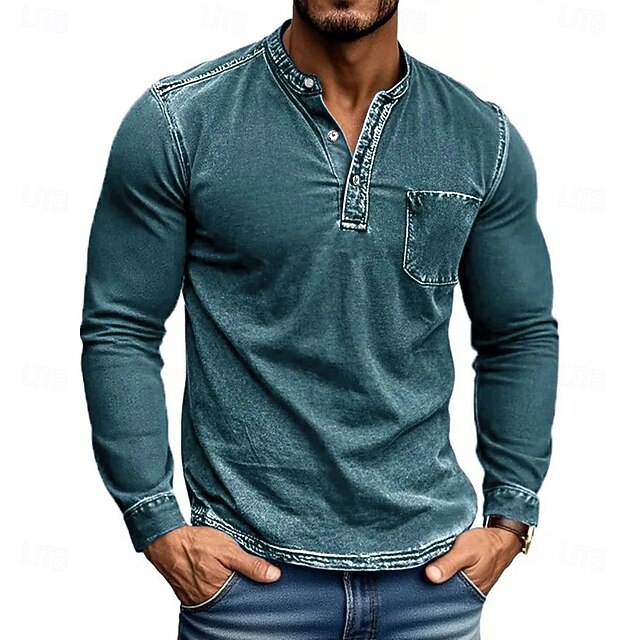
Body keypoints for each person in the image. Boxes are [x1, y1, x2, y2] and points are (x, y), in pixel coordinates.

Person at [79, 2, 559, 638]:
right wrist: (156, 522)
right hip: (250, 590)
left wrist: (511, 518)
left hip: (432, 588)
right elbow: (121, 326)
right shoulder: (182, 122)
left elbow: (518, 334)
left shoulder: (480, 138)